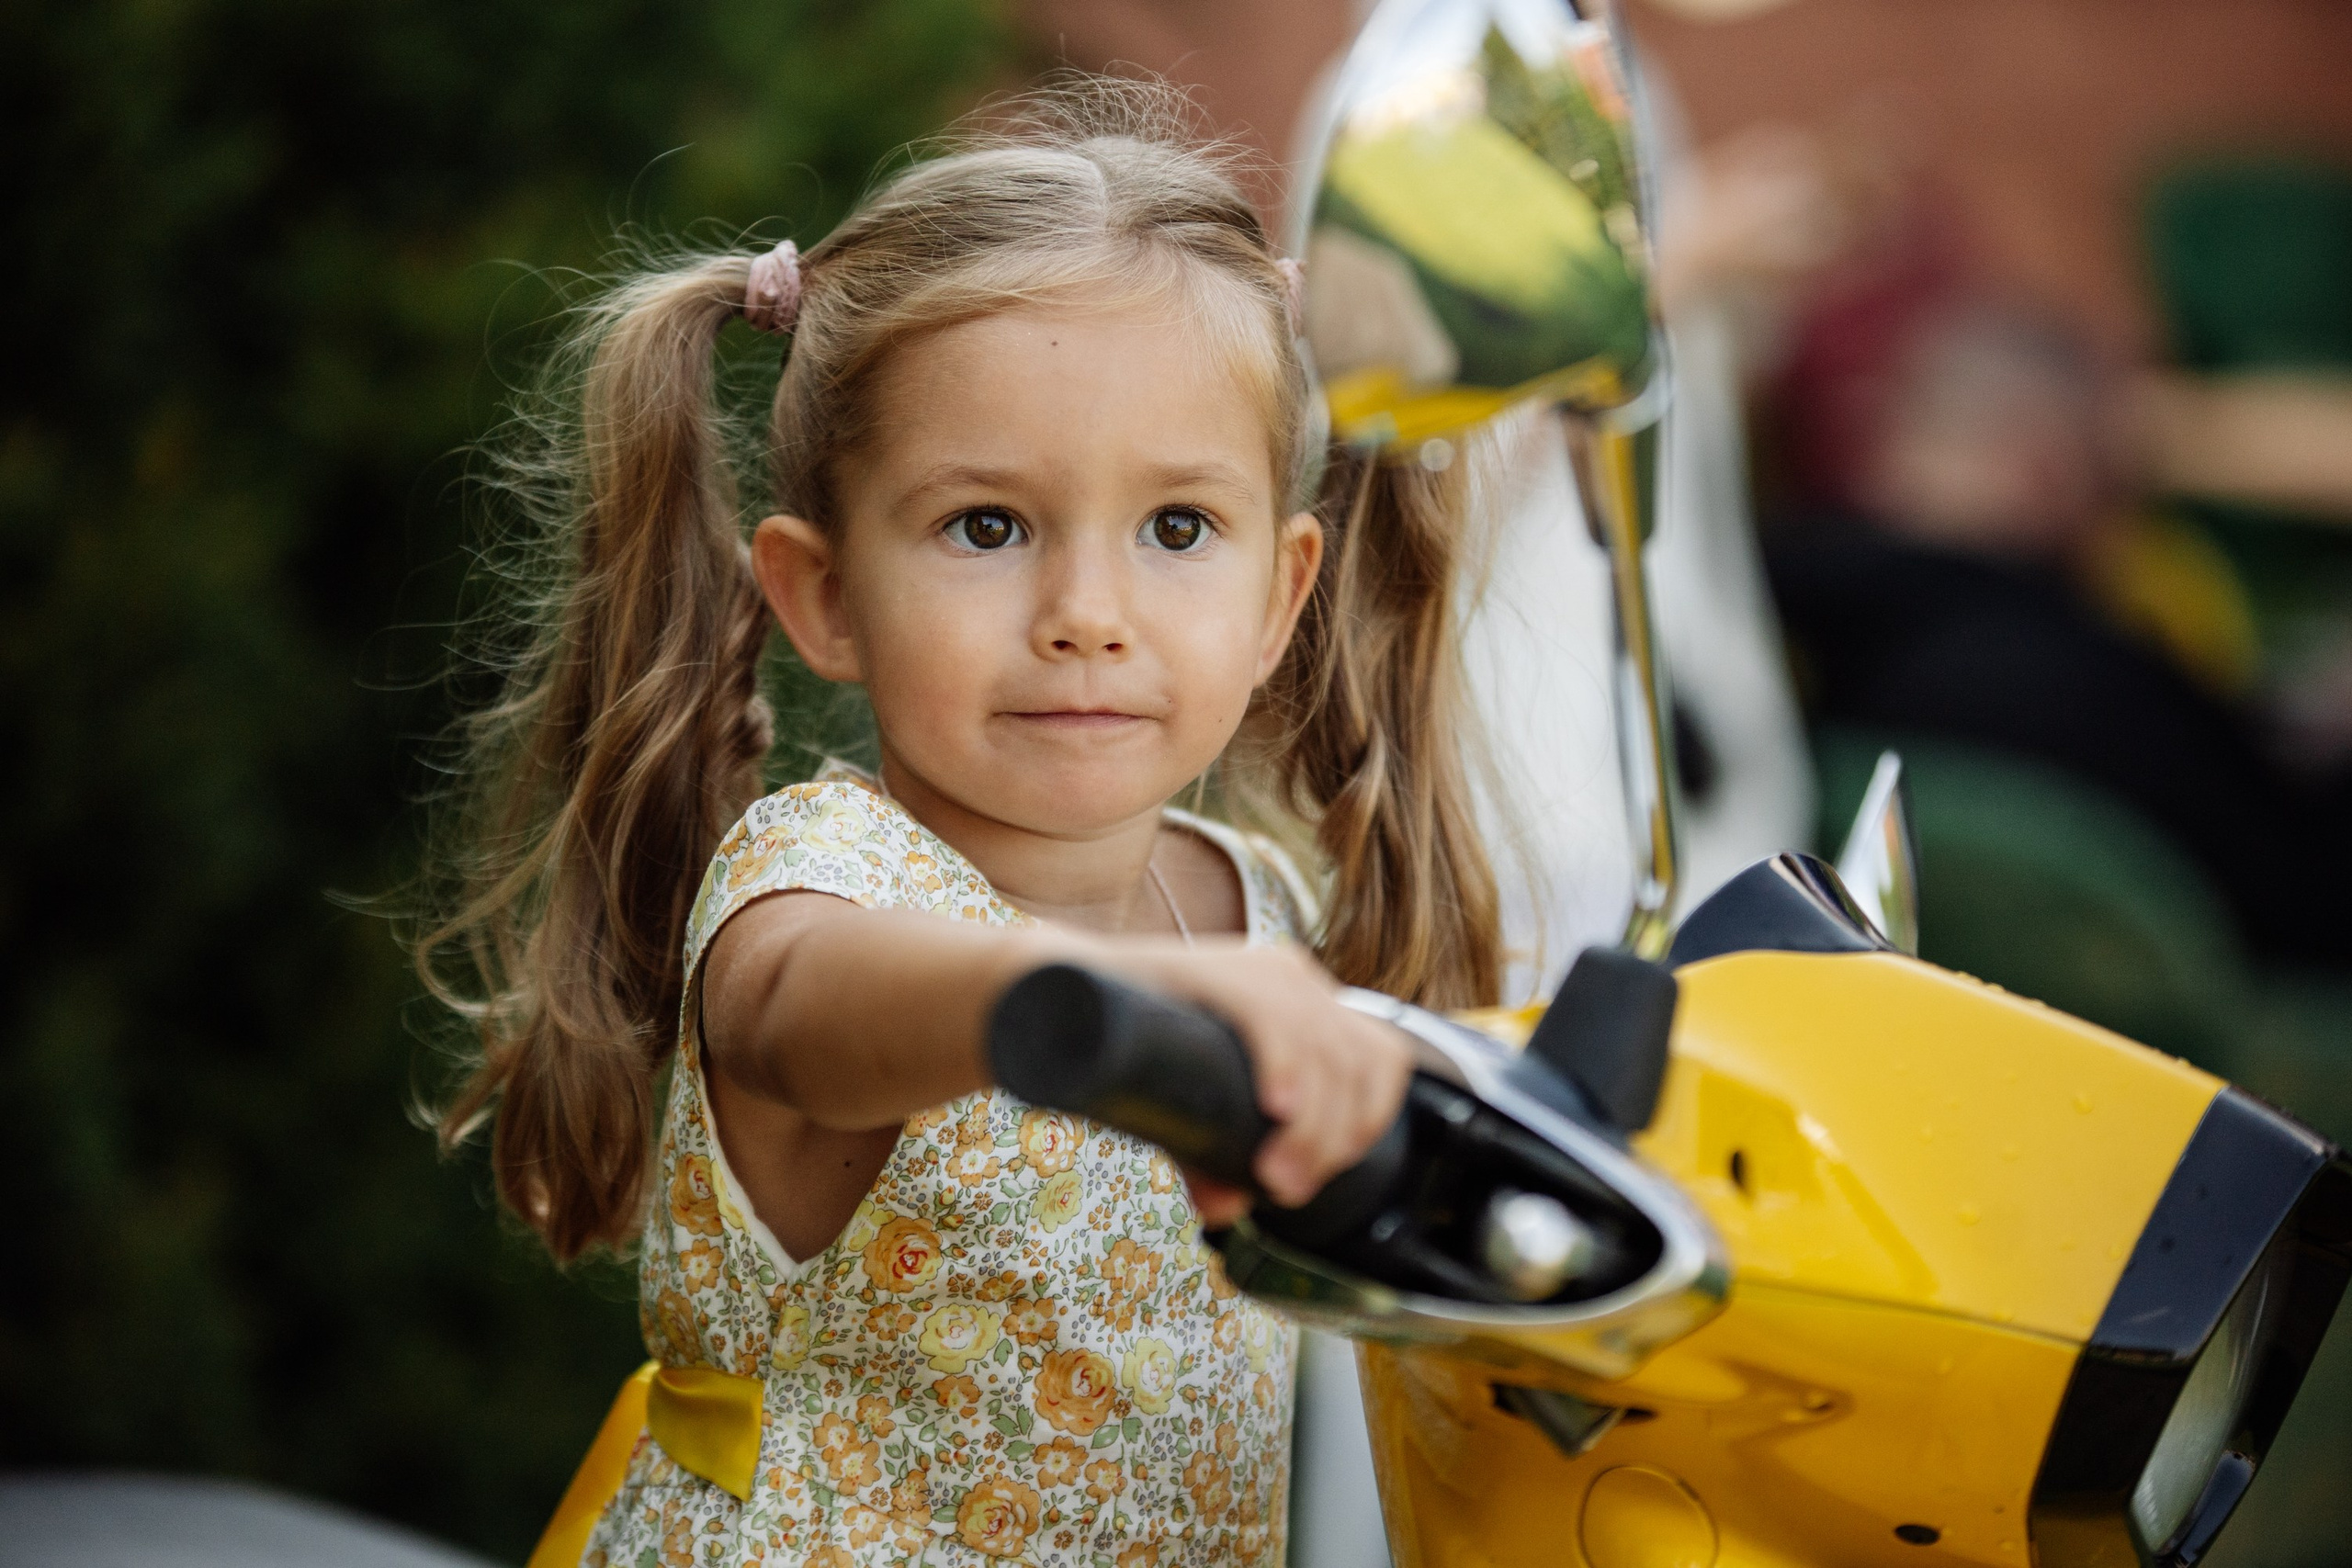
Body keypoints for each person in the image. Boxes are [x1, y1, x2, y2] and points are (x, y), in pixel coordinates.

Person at [419, 81, 1505, 1568]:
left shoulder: (1255, 910)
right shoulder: (816, 896)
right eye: (985, 527)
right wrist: (1123, 1001)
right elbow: (819, 1015)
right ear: (822, 597)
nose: (1085, 618)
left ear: (1281, 596)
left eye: (1177, 528)